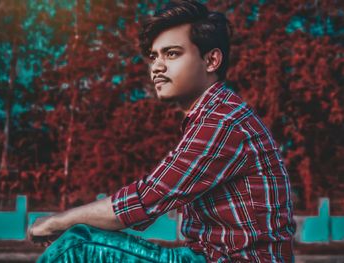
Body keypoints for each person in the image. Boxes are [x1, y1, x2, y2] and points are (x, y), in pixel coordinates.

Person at [27, 0, 297, 262]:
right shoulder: (216, 114)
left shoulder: (223, 122)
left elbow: (146, 199)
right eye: (154, 56)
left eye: (172, 53)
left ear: (211, 59)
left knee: (77, 246)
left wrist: (56, 221)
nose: (156, 66)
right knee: (80, 239)